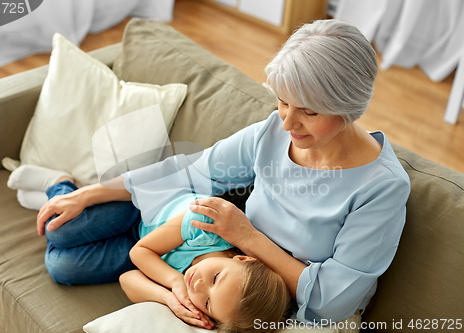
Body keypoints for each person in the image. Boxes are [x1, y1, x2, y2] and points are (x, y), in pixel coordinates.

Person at [36, 19, 411, 330]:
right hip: (183, 226)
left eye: (309, 112)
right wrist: (91, 193)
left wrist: (246, 237)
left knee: (63, 264)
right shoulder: (272, 133)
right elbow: (191, 171)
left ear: (350, 108)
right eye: (282, 101)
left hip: (211, 262)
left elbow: (332, 300)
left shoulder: (380, 188)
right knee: (66, 225)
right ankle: (62, 183)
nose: (287, 121)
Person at [119, 192, 291, 332]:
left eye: (208, 303)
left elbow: (127, 278)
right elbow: (140, 252)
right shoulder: (206, 227)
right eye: (216, 278)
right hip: (143, 208)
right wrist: (174, 281)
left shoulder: (190, 294)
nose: (198, 286)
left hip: (133, 241)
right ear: (242, 258)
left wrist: (169, 298)